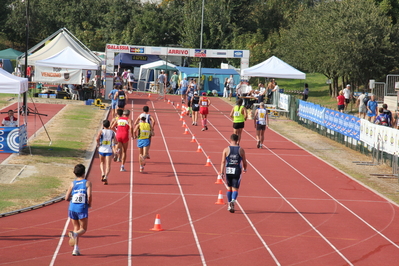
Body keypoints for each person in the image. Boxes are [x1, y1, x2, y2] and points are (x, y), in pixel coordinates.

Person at [65, 164, 92, 256]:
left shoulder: (73, 183)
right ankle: (75, 235)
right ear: (84, 173)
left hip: (72, 208)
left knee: (76, 228)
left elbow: (66, 198)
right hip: (82, 208)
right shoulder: (87, 183)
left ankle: (75, 249)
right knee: (83, 229)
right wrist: (89, 204)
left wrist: (73, 199)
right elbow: (89, 196)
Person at [220, 134, 247, 213]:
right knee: (235, 189)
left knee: (229, 188)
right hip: (237, 170)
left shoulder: (226, 150)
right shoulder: (241, 150)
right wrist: (245, 168)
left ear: (229, 139)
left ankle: (229, 204)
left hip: (228, 170)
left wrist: (221, 173)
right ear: (238, 140)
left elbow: (222, 162)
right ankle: (233, 200)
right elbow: (244, 161)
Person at [96, 120, 117, 185]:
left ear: (103, 125)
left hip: (101, 149)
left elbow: (97, 138)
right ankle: (106, 176)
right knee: (108, 166)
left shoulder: (101, 131)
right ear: (109, 125)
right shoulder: (112, 132)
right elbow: (115, 141)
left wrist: (98, 144)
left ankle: (102, 173)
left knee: (102, 162)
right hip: (109, 150)